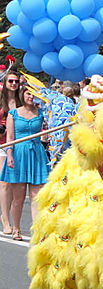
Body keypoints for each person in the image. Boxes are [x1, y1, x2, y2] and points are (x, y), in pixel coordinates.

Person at [1, 88, 49, 240]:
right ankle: (16, 228)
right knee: (19, 196)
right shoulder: (13, 113)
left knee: (36, 195)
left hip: (36, 153)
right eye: (28, 93)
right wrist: (9, 155)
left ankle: (36, 231)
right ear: (23, 95)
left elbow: (49, 132)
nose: (31, 97)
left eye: (34, 94)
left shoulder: (42, 113)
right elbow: (10, 137)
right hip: (19, 154)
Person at [0, 69, 23, 236]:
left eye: (16, 81)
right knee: (5, 182)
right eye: (11, 81)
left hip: (17, 144)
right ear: (5, 84)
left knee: (14, 185)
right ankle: (6, 220)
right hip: (1, 143)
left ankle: (7, 217)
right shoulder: (1, 101)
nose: (14, 84)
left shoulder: (21, 101)